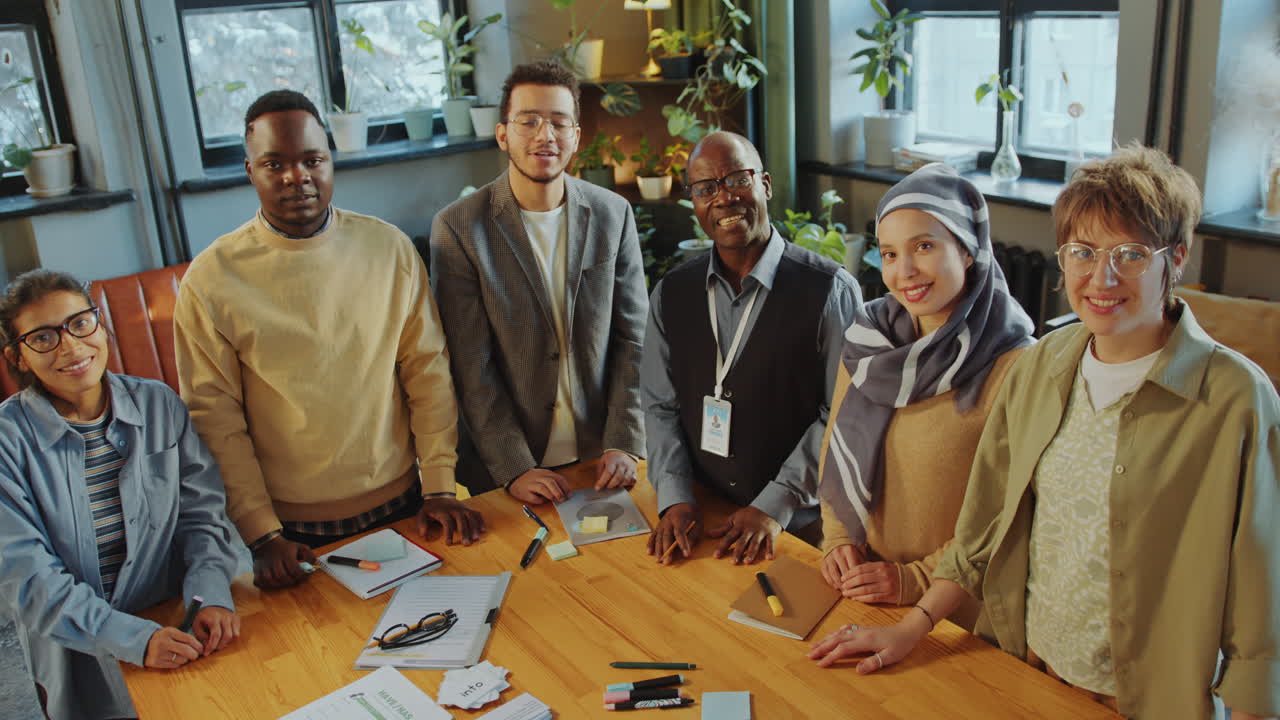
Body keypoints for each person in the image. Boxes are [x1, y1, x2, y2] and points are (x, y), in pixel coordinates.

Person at [809, 145, 1280, 720]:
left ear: (1175, 258)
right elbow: (985, 527)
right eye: (1082, 252)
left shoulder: (1237, 398)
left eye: (1130, 254)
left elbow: (1262, 599)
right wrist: (913, 628)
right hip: (1030, 663)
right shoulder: (1044, 368)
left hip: (1153, 697)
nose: (1101, 277)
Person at [175, 90, 483, 591]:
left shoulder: (389, 249)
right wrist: (259, 534)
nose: (297, 177)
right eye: (274, 164)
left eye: (312, 160)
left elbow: (426, 373)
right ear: (249, 171)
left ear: (330, 162)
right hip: (290, 532)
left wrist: (441, 487)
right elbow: (214, 418)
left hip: (408, 501)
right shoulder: (211, 279)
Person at [0, 270, 242, 720]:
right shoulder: (7, 441)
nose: (71, 347)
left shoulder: (158, 404)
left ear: (100, 324)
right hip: (78, 651)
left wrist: (209, 594)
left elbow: (201, 516)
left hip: (175, 625)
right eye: (43, 337)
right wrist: (133, 638)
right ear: (18, 357)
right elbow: (27, 578)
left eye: (79, 323)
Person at [816, 164, 1034, 629]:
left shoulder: (1016, 365)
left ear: (969, 249)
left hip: (960, 614)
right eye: (890, 254)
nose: (905, 271)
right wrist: (837, 540)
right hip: (866, 590)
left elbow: (1006, 516)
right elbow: (836, 445)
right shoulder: (867, 341)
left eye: (925, 246)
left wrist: (914, 579)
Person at [430, 61, 647, 502]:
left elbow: (634, 339)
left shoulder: (613, 214)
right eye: (528, 121)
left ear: (576, 137)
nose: (544, 135)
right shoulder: (458, 227)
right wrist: (515, 467)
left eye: (558, 122)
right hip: (511, 466)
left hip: (601, 456)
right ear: (502, 134)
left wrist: (623, 439)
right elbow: (471, 364)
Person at [643, 131, 862, 565]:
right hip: (704, 518)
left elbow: (843, 415)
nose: (723, 198)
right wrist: (674, 497)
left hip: (798, 526)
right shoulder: (671, 292)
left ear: (764, 183)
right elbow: (658, 405)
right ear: (695, 203)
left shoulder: (830, 290)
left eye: (736, 179)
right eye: (705, 188)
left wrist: (774, 505)